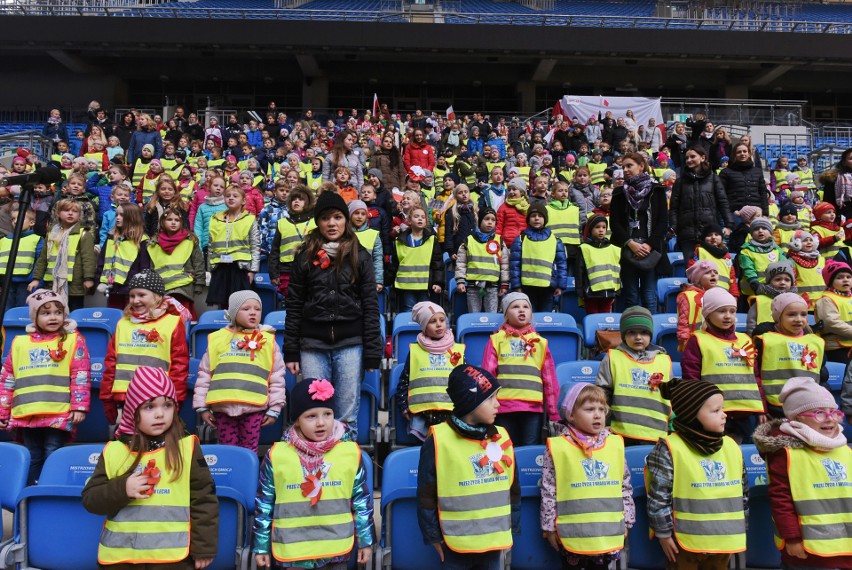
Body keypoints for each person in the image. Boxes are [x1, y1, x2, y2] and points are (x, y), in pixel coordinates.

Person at [82, 366, 218, 569]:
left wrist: (203, 549)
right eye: (149, 407)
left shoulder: (187, 447)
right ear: (132, 411)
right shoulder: (114, 451)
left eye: (167, 406)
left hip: (172, 559)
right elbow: (91, 500)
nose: (160, 414)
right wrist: (123, 489)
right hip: (121, 559)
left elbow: (204, 500)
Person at [284, 192, 382, 439]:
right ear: (318, 222)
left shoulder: (360, 255)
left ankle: (346, 468)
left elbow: (371, 306)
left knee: (346, 415)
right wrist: (292, 350)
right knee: (316, 412)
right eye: (326, 218)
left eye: (337, 217)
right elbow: (294, 305)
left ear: (345, 220)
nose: (332, 223)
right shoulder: (305, 256)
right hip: (312, 345)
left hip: (350, 344)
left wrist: (372, 351)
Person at [253, 378, 374, 569]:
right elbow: (264, 504)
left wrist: (366, 541)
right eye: (311, 416)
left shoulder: (349, 452)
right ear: (297, 421)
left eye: (327, 414)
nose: (321, 423)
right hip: (292, 553)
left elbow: (361, 501)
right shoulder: (277, 455)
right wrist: (261, 547)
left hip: (335, 551)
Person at [417, 364, 520, 570]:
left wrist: (512, 528)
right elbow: (426, 494)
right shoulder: (438, 440)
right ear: (470, 402)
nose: (498, 404)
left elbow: (513, 490)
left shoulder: (502, 437)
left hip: (493, 542)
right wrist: (432, 535)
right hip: (455, 542)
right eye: (490, 398)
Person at [646, 377, 748, 569]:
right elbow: (659, 496)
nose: (724, 415)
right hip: (685, 545)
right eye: (716, 411)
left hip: (724, 541)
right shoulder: (669, 448)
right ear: (692, 415)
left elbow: (743, 494)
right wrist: (663, 534)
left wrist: (741, 530)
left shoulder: (732, 447)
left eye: (723, 409)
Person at [753, 377, 851, 570]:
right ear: (796, 418)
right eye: (819, 413)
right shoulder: (785, 453)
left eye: (833, 412)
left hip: (845, 549)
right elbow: (781, 498)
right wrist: (792, 538)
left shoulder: (844, 449)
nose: (830, 419)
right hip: (806, 553)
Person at [0, 289, 90, 484]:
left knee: (53, 451)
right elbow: (7, 379)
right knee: (32, 454)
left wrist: (79, 406)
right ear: (34, 316)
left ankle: (51, 486)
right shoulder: (19, 343)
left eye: (58, 312)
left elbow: (80, 374)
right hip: (27, 412)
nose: (53, 317)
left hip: (58, 412)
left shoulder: (73, 340)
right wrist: (2, 413)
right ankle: (32, 489)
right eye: (46, 312)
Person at [541, 383, 634, 569]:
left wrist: (627, 521)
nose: (598, 414)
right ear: (571, 415)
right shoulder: (558, 447)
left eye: (602, 409)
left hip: (606, 533)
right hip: (572, 535)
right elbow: (549, 490)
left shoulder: (614, 444)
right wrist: (549, 528)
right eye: (590, 409)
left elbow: (624, 485)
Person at [193, 291, 285, 452]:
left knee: (250, 450)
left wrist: (275, 407)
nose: (253, 312)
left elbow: (277, 376)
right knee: (228, 450)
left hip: (254, 408)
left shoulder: (268, 340)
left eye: (257, 309)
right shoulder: (218, 339)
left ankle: (248, 476)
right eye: (246, 308)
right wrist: (202, 407)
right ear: (234, 312)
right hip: (223, 407)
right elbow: (204, 374)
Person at [99, 271, 190, 427]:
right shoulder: (123, 324)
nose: (136, 300)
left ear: (157, 296)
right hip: (125, 398)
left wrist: (175, 400)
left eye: (142, 295)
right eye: (132, 296)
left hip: (157, 400)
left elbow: (179, 366)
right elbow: (111, 363)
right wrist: (107, 398)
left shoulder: (173, 323)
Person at [681, 287, 765, 441]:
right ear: (708, 314)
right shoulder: (697, 340)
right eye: (721, 311)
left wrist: (761, 410)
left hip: (746, 414)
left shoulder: (745, 339)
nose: (728, 316)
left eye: (732, 311)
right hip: (714, 413)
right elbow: (691, 378)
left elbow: (755, 377)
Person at [481, 292, 559, 445]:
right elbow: (487, 376)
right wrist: (486, 408)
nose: (521, 310)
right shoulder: (496, 340)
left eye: (526, 307)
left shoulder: (541, 342)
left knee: (529, 448)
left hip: (532, 409)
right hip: (503, 407)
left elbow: (550, 381)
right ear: (505, 314)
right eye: (515, 307)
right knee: (505, 448)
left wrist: (554, 414)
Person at [596, 306, 672, 445]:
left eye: (643, 332)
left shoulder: (664, 360)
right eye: (631, 332)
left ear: (650, 335)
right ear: (623, 335)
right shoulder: (612, 358)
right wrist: (603, 423)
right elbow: (602, 394)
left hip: (656, 433)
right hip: (620, 432)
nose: (638, 337)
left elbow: (671, 396)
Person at [610, 152, 671, 312]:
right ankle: (632, 332)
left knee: (649, 295)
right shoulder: (618, 193)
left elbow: (662, 222)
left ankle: (649, 334)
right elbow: (615, 224)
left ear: (641, 166)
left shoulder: (657, 190)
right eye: (623, 167)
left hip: (650, 249)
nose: (626, 170)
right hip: (628, 249)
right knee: (630, 295)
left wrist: (649, 245)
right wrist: (630, 244)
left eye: (629, 165)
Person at [753, 293, 826, 418]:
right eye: (791, 314)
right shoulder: (764, 341)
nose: (798, 319)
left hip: (808, 407)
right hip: (774, 408)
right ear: (778, 317)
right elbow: (755, 377)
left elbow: (822, 374)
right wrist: (762, 407)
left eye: (803, 314)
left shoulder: (816, 342)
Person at [29, 199, 96, 311]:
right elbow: (43, 259)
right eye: (66, 210)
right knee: (54, 311)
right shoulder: (51, 233)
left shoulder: (84, 234)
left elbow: (88, 259)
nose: (70, 213)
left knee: (74, 313)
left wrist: (88, 278)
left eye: (74, 211)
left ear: (79, 216)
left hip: (74, 284)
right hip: (52, 282)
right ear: (58, 213)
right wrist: (36, 278)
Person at [669, 146, 733, 258]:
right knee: (691, 269)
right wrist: (674, 227)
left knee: (710, 270)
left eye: (692, 156)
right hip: (687, 235)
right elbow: (674, 208)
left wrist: (728, 225)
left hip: (709, 234)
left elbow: (723, 202)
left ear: (702, 158)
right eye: (687, 158)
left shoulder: (714, 179)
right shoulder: (680, 182)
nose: (689, 160)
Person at [206, 185, 260, 310]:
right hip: (220, 267)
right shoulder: (215, 219)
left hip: (240, 268)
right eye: (228, 196)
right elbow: (210, 246)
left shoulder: (250, 219)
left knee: (241, 305)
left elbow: (255, 246)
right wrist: (210, 269)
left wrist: (252, 270)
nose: (231, 198)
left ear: (243, 201)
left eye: (235, 196)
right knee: (223, 305)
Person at [147, 207, 205, 319]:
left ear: (181, 222)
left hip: (184, 287)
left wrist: (199, 283)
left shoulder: (190, 240)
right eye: (169, 219)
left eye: (177, 220)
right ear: (162, 222)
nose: (173, 222)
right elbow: (152, 266)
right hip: (162, 288)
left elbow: (198, 262)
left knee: (184, 319)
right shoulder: (154, 243)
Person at [509, 203, 568, 312]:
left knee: (545, 320)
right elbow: (514, 265)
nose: (537, 218)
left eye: (540, 216)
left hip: (548, 288)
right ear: (528, 219)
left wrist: (560, 286)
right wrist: (517, 286)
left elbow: (561, 264)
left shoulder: (555, 240)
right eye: (533, 215)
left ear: (545, 219)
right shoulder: (521, 240)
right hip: (527, 288)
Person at [388, 205, 443, 311]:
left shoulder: (432, 240)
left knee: (425, 312)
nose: (420, 219)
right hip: (406, 286)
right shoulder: (400, 240)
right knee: (409, 311)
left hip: (424, 286)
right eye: (416, 216)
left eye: (423, 217)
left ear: (426, 221)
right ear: (409, 220)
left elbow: (437, 264)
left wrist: (438, 282)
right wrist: (385, 281)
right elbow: (395, 264)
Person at [96, 203, 150, 310]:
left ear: (132, 217)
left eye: (122, 215)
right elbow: (102, 260)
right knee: (114, 317)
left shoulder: (142, 240)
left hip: (131, 290)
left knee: (131, 317)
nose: (117, 218)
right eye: (116, 215)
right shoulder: (111, 237)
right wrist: (99, 280)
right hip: (112, 287)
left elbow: (144, 267)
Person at [455, 207, 508, 313]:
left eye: (493, 220)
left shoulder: (499, 241)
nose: (490, 222)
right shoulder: (468, 240)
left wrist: (504, 284)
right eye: (486, 219)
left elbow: (505, 264)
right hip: (473, 286)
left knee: (492, 315)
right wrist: (460, 281)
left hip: (492, 286)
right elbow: (461, 263)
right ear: (479, 221)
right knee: (474, 315)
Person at [719, 142, 768, 253]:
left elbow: (763, 193)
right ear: (734, 155)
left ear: (749, 153)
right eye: (739, 152)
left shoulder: (757, 171)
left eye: (745, 151)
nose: (742, 154)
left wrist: (765, 214)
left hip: (756, 215)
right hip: (735, 216)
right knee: (738, 247)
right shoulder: (726, 173)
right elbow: (721, 196)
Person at [268, 186, 315, 299]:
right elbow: (274, 251)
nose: (296, 201)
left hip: (310, 269)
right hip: (287, 270)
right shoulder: (282, 223)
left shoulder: (315, 222)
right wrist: (274, 274)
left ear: (307, 202)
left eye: (301, 199)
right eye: (294, 199)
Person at [577, 214, 620, 314]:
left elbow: (617, 271)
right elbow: (579, 272)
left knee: (604, 320)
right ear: (590, 229)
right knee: (593, 318)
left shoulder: (613, 249)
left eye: (604, 227)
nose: (601, 230)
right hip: (591, 293)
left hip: (608, 292)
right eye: (597, 227)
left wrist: (616, 292)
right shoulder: (584, 248)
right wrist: (580, 292)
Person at [0, 208, 43, 309]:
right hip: (6, 282)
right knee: (5, 310)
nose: (15, 221)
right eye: (13, 219)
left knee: (22, 311)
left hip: (26, 283)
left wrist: (37, 280)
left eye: (20, 218)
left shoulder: (37, 239)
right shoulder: (4, 240)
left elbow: (40, 262)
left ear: (31, 222)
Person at [738, 217, 788, 298]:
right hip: (752, 292)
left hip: (774, 290)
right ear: (751, 233)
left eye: (764, 228)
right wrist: (753, 282)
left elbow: (784, 267)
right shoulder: (746, 251)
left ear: (771, 232)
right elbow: (748, 269)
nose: (760, 231)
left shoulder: (777, 250)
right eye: (756, 229)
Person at [814, 259, 852, 363]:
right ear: (830, 282)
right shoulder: (826, 300)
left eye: (848, 277)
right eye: (839, 277)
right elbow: (831, 323)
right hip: (836, 348)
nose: (845, 280)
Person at [746, 261, 798, 336]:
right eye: (778, 279)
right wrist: (754, 338)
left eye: (787, 280)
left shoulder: (796, 300)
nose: (782, 282)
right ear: (769, 282)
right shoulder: (759, 300)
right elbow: (751, 323)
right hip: (764, 341)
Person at [787, 230, 825, 307]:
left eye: (811, 240)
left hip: (822, 303)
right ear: (796, 244)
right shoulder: (791, 261)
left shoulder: (821, 259)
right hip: (803, 304)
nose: (809, 242)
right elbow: (791, 284)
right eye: (805, 240)